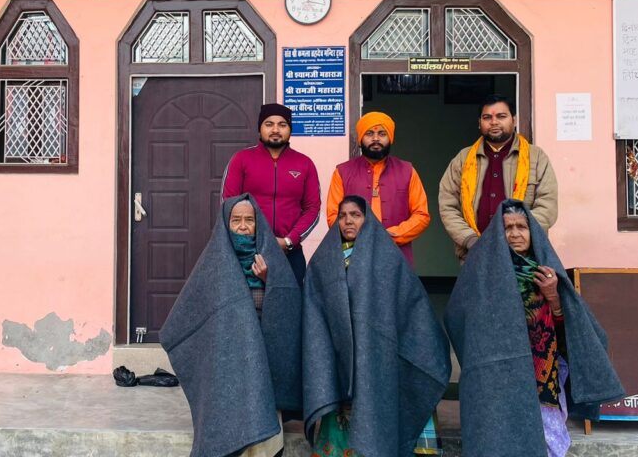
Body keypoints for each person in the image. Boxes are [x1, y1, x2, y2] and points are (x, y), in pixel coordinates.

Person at [445, 200, 624, 457]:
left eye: (522, 227)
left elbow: (573, 329)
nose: (515, 234)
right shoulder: (481, 273)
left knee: (547, 440)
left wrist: (553, 297)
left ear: (533, 232)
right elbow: (457, 317)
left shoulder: (547, 272)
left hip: (542, 375)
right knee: (498, 438)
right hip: (496, 377)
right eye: (507, 228)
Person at [303, 196, 451, 456]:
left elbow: (411, 307)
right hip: (340, 360)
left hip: (381, 358)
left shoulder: (388, 258)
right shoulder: (323, 262)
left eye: (356, 215)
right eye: (342, 216)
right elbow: (316, 316)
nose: (348, 221)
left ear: (368, 219)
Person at [161, 194, 302, 457]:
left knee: (264, 439)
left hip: (263, 363)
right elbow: (192, 314)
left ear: (258, 224)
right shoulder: (214, 264)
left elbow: (289, 312)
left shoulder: (272, 261)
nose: (243, 226)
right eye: (236, 220)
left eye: (249, 220)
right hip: (226, 364)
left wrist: (269, 280)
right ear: (226, 224)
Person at [438, 94, 558, 261]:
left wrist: (516, 236)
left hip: (524, 257)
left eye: (501, 116)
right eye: (487, 117)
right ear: (479, 123)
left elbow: (547, 204)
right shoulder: (463, 160)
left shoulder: (536, 158)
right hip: (475, 254)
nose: (494, 122)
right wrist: (471, 240)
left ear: (514, 120)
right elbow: (448, 206)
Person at [223, 103, 321, 285]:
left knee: (291, 300)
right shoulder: (241, 159)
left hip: (290, 253)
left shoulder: (304, 164)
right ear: (260, 128)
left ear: (290, 129)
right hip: (248, 252)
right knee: (249, 302)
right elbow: (229, 205)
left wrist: (289, 241)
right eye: (269, 124)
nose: (275, 130)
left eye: (282, 125)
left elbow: (312, 209)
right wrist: (250, 240)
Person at [326, 112, 430, 267]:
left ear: (390, 138)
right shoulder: (342, 172)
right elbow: (333, 215)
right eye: (369, 133)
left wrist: (391, 236)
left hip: (396, 254)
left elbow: (421, 215)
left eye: (382, 134)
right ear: (360, 139)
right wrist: (359, 236)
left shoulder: (407, 171)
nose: (375, 139)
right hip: (353, 254)